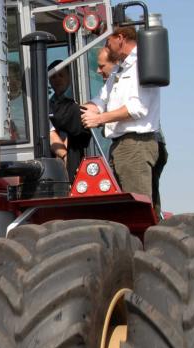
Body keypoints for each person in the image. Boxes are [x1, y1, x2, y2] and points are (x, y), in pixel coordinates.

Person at [82, 27, 162, 210]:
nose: (106, 46)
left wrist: (99, 119)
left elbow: (137, 108)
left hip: (135, 144)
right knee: (127, 206)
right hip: (122, 145)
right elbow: (102, 99)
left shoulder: (142, 63)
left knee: (138, 208)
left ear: (120, 38)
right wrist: (81, 109)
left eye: (107, 41)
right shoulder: (121, 68)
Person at [48, 60, 93, 179]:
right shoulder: (46, 105)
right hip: (51, 160)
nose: (57, 80)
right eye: (53, 77)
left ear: (69, 77)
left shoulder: (78, 99)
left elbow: (83, 130)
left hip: (75, 156)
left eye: (61, 75)